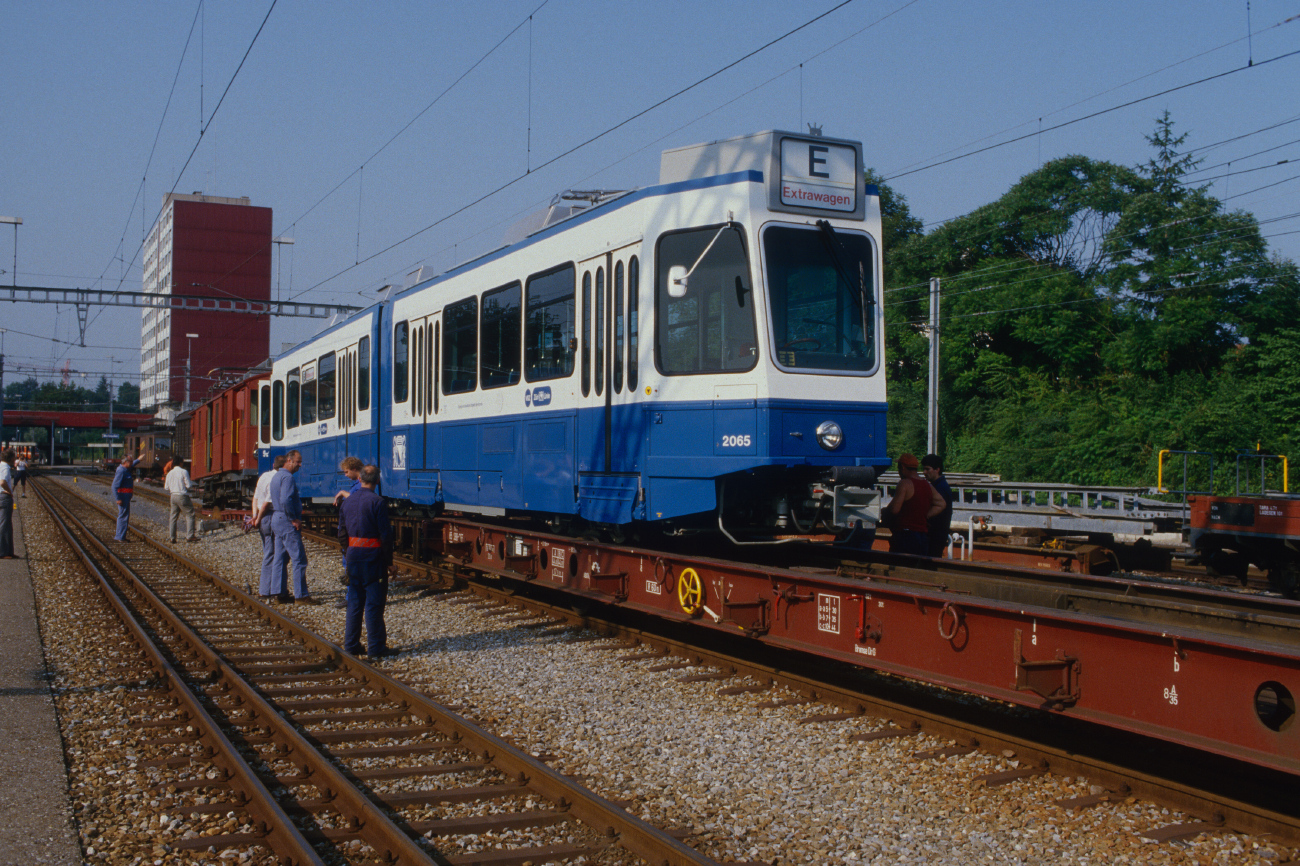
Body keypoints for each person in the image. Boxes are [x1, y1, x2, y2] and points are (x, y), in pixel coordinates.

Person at [337, 464, 395, 657]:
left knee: (354, 603)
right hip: (374, 559)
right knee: (374, 604)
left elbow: (342, 533)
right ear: (378, 481)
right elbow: (385, 536)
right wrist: (389, 562)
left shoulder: (348, 502)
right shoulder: (378, 502)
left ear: (359, 479)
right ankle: (376, 648)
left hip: (353, 557)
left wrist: (348, 553)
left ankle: (351, 645)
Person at [269, 449, 318, 604]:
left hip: (276, 518)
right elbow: (285, 500)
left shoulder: (276, 476)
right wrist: (293, 519)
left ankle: (279, 593)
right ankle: (301, 595)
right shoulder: (288, 478)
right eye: (298, 461)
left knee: (280, 558)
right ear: (289, 460)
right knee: (299, 559)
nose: (300, 465)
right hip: (286, 521)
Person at [885, 452, 946, 556]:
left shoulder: (904, 484)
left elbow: (894, 509)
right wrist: (925, 515)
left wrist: (884, 511)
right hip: (922, 537)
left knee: (900, 568)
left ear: (903, 467)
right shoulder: (927, 485)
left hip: (905, 536)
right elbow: (941, 503)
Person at [253, 455, 288, 600]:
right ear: (285, 465)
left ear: (273, 464)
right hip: (270, 516)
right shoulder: (279, 478)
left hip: (263, 518)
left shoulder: (264, 476)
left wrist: (254, 517)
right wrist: (259, 518)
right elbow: (266, 503)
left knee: (268, 553)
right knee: (279, 555)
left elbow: (255, 498)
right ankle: (277, 591)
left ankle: (264, 590)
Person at [922, 453, 955, 558]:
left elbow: (938, 512)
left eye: (928, 469)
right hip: (937, 534)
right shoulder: (941, 485)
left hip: (935, 535)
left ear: (937, 469)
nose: (924, 473)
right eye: (924, 469)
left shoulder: (940, 488)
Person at [111, 451, 145, 542]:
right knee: (123, 517)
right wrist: (118, 498)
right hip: (122, 497)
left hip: (126, 497)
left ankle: (121, 536)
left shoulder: (126, 469)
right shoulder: (121, 471)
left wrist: (138, 459)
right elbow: (114, 486)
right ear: (125, 462)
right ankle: (120, 537)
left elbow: (133, 464)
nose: (131, 463)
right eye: (130, 461)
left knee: (124, 516)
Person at [164, 458, 199, 544]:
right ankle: (190, 536)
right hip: (182, 496)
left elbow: (166, 487)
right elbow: (188, 485)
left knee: (173, 517)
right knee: (190, 514)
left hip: (173, 496)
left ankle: (172, 537)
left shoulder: (169, 473)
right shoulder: (184, 472)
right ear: (180, 463)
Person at [0, 450, 15, 559]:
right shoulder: (5, 468)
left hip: (1, 496)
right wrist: (10, 491)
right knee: (4, 525)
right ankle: (3, 552)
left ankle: (9, 551)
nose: (15, 459)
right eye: (14, 457)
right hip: (5, 498)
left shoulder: (0, 465)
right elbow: (2, 482)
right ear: (10, 458)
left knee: (7, 525)